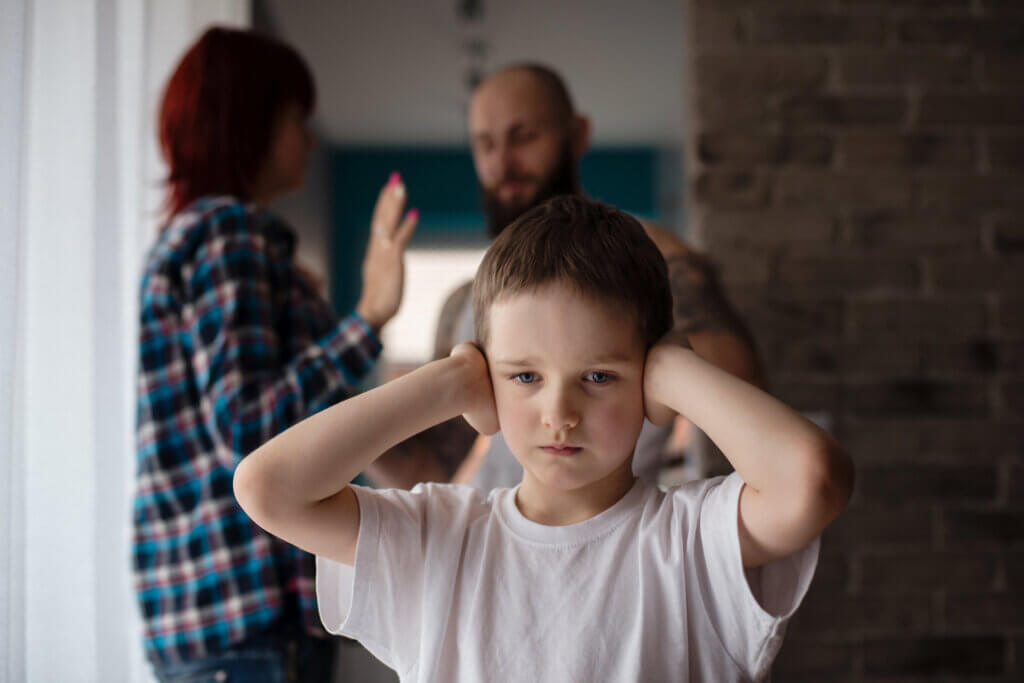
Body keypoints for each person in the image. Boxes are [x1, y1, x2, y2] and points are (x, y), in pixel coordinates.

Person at [234, 196, 854, 682]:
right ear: (487, 375)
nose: (559, 412)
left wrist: (673, 370)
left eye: (599, 376)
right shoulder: (437, 537)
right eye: (524, 376)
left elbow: (814, 480)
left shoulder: (691, 540)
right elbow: (266, 488)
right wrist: (449, 383)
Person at [133, 27, 417, 681]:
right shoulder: (227, 231)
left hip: (210, 618)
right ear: (250, 121)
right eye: (297, 119)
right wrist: (369, 315)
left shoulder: (197, 237)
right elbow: (250, 429)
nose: (311, 141)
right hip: (246, 617)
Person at [367, 63, 763, 491]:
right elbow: (430, 470)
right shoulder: (468, 301)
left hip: (617, 537)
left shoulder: (656, 262)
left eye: (524, 137)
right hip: (499, 541)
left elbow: (744, 404)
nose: (503, 164)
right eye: (486, 145)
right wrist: (365, 325)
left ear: (577, 135)